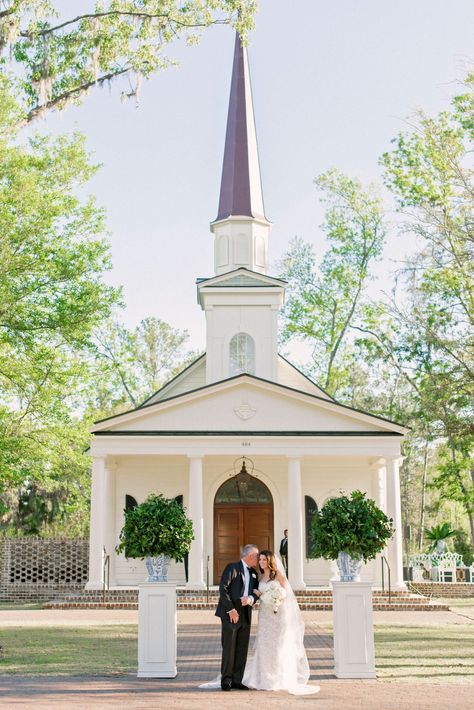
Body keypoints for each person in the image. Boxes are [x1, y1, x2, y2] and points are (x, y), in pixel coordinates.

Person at [243, 550, 320, 695]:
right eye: (260, 560)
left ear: (270, 561)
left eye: (264, 560)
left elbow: (286, 594)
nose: (261, 562)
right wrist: (259, 596)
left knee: (277, 646)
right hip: (265, 616)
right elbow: (257, 594)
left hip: (278, 615)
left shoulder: (278, 575)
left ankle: (277, 679)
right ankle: (263, 678)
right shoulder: (259, 576)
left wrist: (275, 598)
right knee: (264, 644)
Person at [214, 544, 260, 691]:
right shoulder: (232, 567)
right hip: (230, 613)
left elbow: (256, 592)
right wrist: (231, 609)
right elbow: (223, 589)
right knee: (229, 647)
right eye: (257, 556)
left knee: (242, 648)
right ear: (250, 556)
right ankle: (226, 681)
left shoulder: (254, 572)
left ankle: (237, 680)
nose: (258, 559)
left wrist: (251, 599)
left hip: (246, 613)